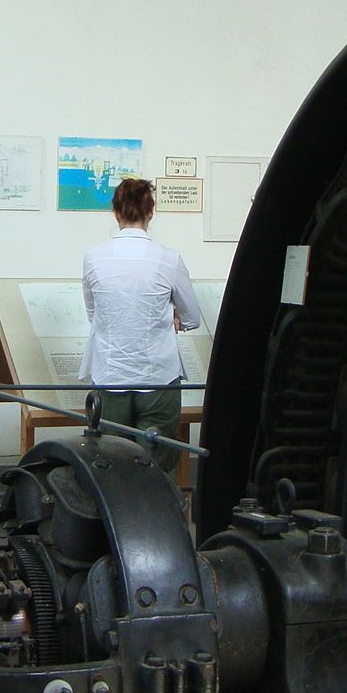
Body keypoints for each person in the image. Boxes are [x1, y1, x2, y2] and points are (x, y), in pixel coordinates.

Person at [79, 177, 204, 473]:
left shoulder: (94, 258)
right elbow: (192, 317)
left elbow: (94, 313)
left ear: (116, 213)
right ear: (151, 212)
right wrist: (173, 315)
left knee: (111, 459)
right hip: (158, 374)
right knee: (155, 462)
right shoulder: (169, 259)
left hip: (110, 373)